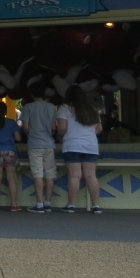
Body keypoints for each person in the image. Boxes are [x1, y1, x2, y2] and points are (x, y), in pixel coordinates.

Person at [57, 85, 103, 213]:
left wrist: (61, 135)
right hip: (90, 145)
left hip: (72, 145)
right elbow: (99, 129)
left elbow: (61, 128)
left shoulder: (65, 108)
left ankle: (71, 205)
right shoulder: (92, 109)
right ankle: (96, 206)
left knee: (74, 176)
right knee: (91, 176)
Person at [21, 83, 58, 212]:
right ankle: (48, 202)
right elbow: (54, 127)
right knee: (50, 173)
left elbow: (25, 126)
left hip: (34, 144)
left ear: (31, 94)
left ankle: (39, 204)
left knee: (38, 174)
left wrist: (29, 134)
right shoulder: (52, 107)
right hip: (49, 144)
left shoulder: (28, 107)